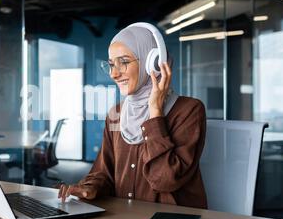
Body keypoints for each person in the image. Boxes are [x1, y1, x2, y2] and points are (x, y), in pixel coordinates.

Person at [58, 24, 207, 209]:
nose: (114, 73)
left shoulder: (190, 110)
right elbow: (104, 173)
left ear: (151, 63)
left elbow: (165, 180)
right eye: (111, 64)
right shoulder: (116, 114)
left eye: (124, 62)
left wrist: (155, 113)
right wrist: (89, 188)